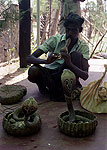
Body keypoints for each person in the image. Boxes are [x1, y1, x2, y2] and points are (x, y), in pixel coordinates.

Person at [27, 12, 89, 102]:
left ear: (80, 30)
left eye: (74, 30)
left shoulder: (83, 47)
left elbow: (85, 75)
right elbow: (29, 58)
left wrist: (69, 63)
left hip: (66, 73)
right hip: (50, 72)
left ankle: (64, 88)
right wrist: (46, 62)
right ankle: (43, 87)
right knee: (33, 71)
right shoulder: (55, 40)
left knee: (76, 55)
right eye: (68, 30)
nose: (70, 33)